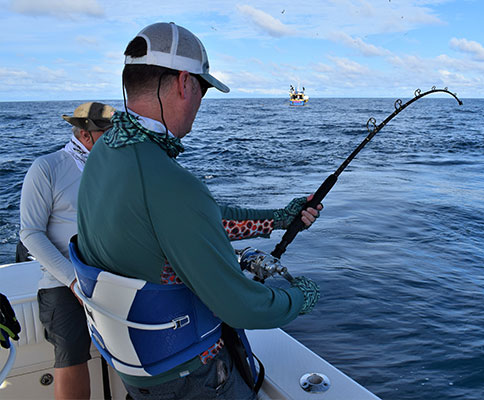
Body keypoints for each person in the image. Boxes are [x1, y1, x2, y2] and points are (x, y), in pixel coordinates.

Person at [75, 22, 322, 399]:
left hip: (137, 367)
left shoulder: (105, 153)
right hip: (189, 377)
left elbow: (188, 218)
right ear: (183, 83)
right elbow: (242, 307)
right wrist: (299, 297)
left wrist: (277, 219)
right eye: (203, 89)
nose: (201, 102)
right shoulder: (168, 182)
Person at [19, 102, 115, 399]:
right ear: (86, 135)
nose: (114, 139)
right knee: (71, 353)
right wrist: (73, 279)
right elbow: (30, 233)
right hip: (63, 282)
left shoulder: (116, 170)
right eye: (107, 133)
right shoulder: (47, 168)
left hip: (111, 278)